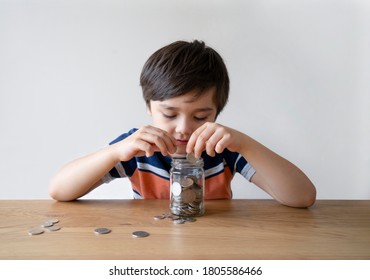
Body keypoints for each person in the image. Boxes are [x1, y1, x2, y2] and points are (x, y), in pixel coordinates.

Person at [49, 40, 316, 207]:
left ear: (215, 113)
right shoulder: (138, 149)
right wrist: (116, 151)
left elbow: (303, 197)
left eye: (200, 117)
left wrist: (244, 143)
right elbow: (60, 190)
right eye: (169, 114)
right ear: (149, 107)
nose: (183, 128)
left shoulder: (222, 148)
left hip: (215, 248)